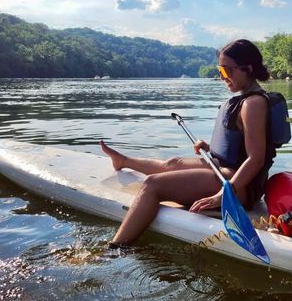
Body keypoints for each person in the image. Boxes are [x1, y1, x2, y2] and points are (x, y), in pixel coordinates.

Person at [100, 39, 275, 246]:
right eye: (220, 70)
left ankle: (115, 248)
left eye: (227, 71)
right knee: (172, 164)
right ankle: (124, 161)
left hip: (238, 186)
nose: (221, 77)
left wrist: (222, 195)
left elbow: (255, 159)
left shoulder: (254, 103)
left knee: (152, 184)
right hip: (226, 169)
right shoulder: (246, 98)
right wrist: (212, 148)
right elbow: (243, 147)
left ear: (248, 68)